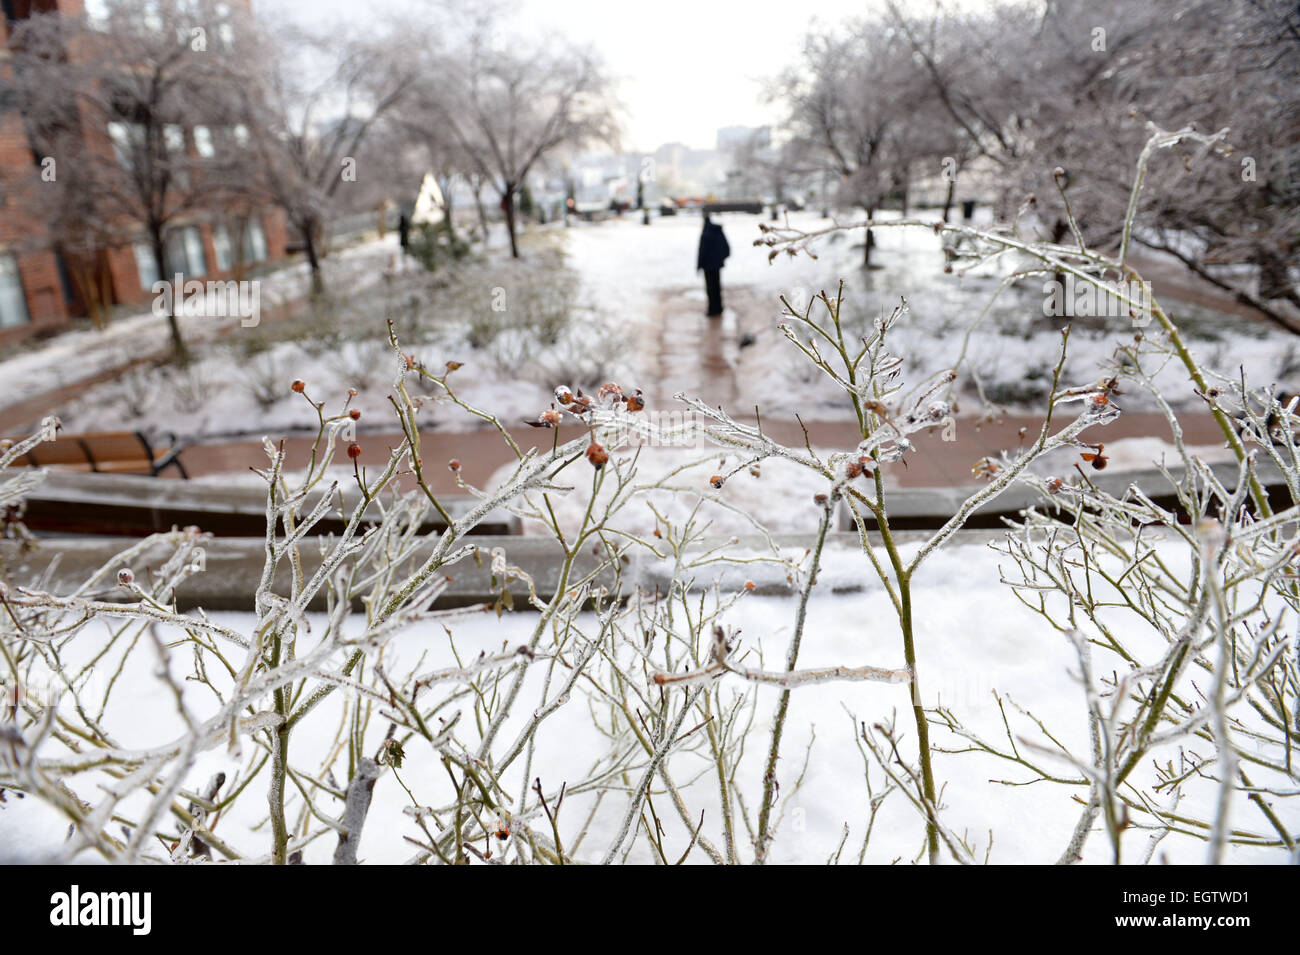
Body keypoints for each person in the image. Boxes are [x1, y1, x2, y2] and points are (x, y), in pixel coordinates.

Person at [697, 214, 730, 317]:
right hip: (717, 265)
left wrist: (699, 265)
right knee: (717, 287)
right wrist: (720, 259)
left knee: (710, 289)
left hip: (708, 266)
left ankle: (712, 309)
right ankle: (718, 308)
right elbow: (726, 248)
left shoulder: (705, 234)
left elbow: (702, 251)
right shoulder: (718, 231)